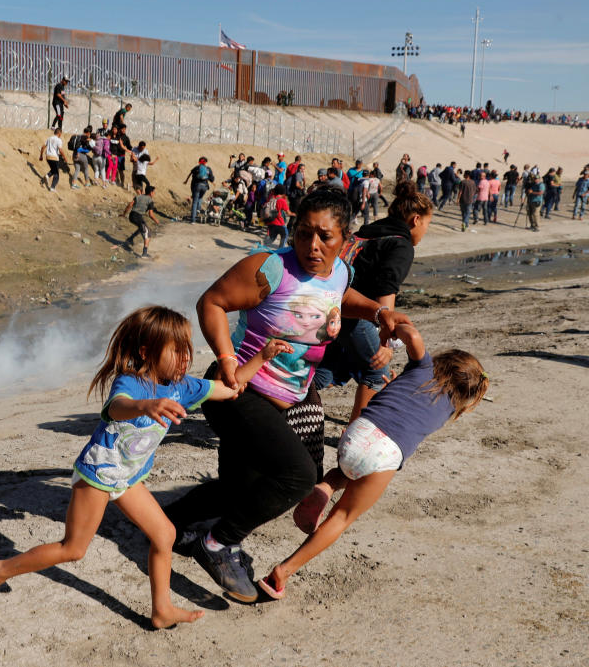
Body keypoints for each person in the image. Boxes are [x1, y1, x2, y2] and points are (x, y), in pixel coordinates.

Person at [162, 188, 411, 603]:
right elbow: (211, 302)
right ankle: (219, 543)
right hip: (238, 389)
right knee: (298, 476)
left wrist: (377, 311)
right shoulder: (271, 268)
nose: (312, 245)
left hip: (288, 397)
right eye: (302, 232)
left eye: (324, 236)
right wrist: (225, 357)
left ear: (344, 238)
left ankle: (169, 526)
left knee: (239, 489)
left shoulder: (340, 272)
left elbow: (338, 298)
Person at [0, 306, 290, 628]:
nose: (186, 358)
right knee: (73, 549)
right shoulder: (131, 384)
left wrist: (262, 358)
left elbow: (231, 388)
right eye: (177, 351)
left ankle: (161, 609)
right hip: (97, 476)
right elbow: (117, 408)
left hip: (128, 479)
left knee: (165, 534)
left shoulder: (183, 387)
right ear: (146, 352)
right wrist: (146, 405)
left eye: (187, 349)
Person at [258, 325, 488, 599]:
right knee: (342, 516)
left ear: (444, 361)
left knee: (344, 471)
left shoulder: (422, 368)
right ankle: (283, 571)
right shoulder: (450, 407)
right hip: (385, 453)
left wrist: (388, 333)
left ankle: (325, 488)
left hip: (358, 433)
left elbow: (412, 337)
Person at [314, 181, 432, 422]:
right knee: (377, 371)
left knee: (325, 373)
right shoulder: (402, 244)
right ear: (416, 220)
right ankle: (354, 433)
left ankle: (274, 398)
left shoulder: (370, 230)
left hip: (327, 303)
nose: (424, 232)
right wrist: (385, 339)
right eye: (427, 225)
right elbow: (385, 289)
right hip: (356, 312)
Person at [122, 185, 160, 258]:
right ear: (151, 193)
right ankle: (144, 253)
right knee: (147, 233)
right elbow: (151, 214)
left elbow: (130, 204)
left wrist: (124, 214)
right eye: (154, 192)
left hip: (131, 216)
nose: (154, 194)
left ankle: (130, 239)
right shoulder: (150, 201)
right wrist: (157, 221)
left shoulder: (139, 196)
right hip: (138, 217)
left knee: (142, 227)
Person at [185, 157, 214, 223]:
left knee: (195, 202)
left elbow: (191, 175)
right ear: (206, 162)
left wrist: (186, 181)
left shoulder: (196, 168)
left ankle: (193, 220)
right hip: (205, 187)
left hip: (197, 186)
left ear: (199, 162)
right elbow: (212, 179)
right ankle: (198, 209)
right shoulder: (208, 169)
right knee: (200, 197)